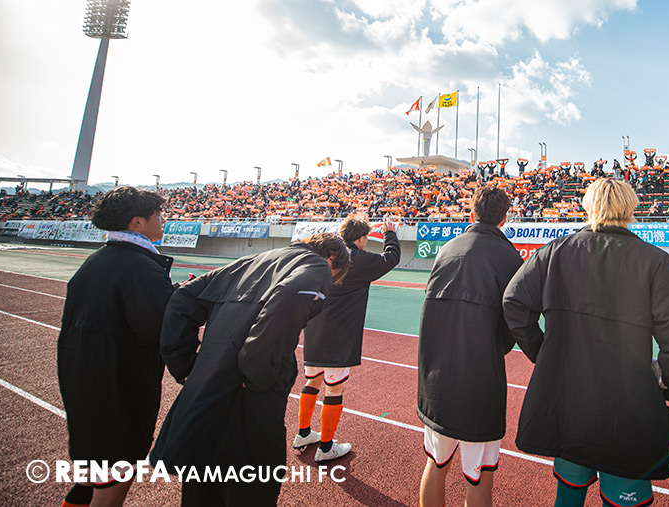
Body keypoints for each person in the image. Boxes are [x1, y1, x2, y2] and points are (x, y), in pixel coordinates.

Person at [503, 178, 669, 507]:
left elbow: (514, 302)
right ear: (630, 208)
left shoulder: (555, 251)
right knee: (623, 499)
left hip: (568, 401)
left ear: (588, 206)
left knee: (568, 494)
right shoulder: (654, 260)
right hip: (629, 407)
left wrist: (544, 354)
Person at [150, 233, 351, 507]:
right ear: (332, 259)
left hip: (208, 387)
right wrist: (258, 376)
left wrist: (184, 364)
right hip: (249, 400)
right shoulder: (317, 266)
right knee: (254, 489)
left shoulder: (250, 260)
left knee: (202, 485)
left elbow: (183, 297)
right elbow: (287, 300)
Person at [58, 187, 175, 507]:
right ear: (137, 222)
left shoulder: (96, 260)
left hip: (84, 383)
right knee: (110, 490)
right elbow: (158, 327)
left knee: (88, 480)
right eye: (158, 215)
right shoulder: (141, 267)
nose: (163, 220)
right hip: (118, 390)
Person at [417, 186, 523, 507]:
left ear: (471, 212)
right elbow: (515, 323)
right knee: (478, 480)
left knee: (435, 466)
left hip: (436, 379)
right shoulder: (511, 257)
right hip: (481, 381)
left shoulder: (448, 249)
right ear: (504, 218)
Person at [295, 216, 400, 462]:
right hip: (340, 333)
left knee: (312, 381)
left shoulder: (326, 255)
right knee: (334, 389)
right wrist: (390, 233)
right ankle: (326, 447)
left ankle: (303, 433)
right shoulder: (360, 259)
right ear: (361, 238)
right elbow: (392, 257)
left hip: (313, 326)